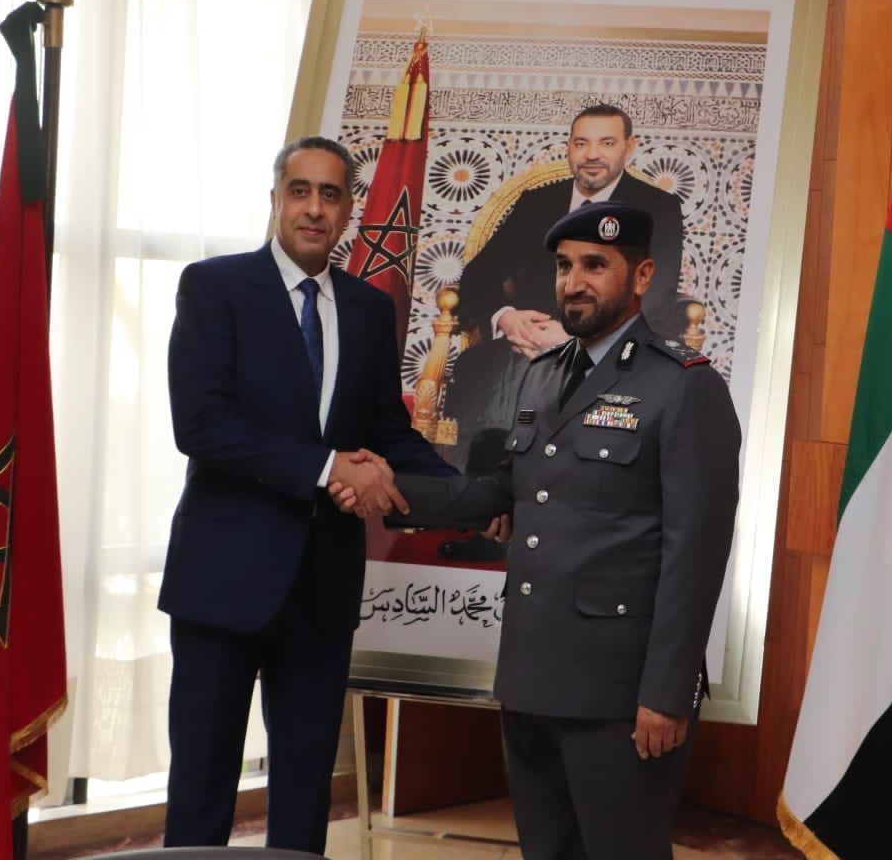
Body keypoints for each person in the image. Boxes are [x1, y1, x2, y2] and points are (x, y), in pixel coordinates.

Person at [337, 200, 741, 858]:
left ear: (641, 276)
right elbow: (501, 493)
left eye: (595, 266)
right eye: (563, 267)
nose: (573, 282)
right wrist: (383, 485)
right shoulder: (543, 375)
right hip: (530, 677)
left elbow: (695, 553)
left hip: (619, 692)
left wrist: (668, 695)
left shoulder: (684, 387)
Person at [158, 135, 454, 854]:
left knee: (304, 790)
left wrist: (471, 495)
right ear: (275, 201)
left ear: (349, 209)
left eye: (330, 194)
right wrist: (328, 468)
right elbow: (200, 426)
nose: (314, 209)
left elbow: (387, 431)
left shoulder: (367, 309)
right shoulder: (215, 287)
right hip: (222, 584)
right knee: (202, 788)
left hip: (320, 589)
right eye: (300, 191)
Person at [444, 104, 685, 475]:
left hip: (607, 353)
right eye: (581, 143)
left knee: (547, 383)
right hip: (521, 347)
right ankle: (486, 492)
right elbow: (480, 274)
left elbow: (656, 292)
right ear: (569, 148)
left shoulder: (658, 208)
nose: (592, 154)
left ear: (629, 147)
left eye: (606, 143)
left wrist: (578, 341)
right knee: (494, 378)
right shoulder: (537, 203)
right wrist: (507, 319)